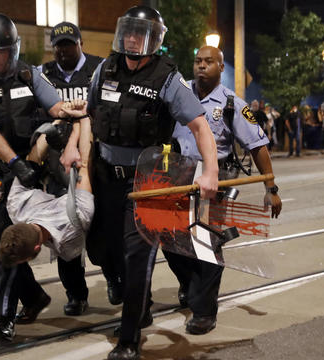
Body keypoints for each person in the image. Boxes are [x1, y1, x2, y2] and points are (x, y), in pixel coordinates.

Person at [61, 6, 218, 359]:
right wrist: (72, 145)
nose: (132, 39)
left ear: (154, 39)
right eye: (128, 31)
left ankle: (129, 339)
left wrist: (211, 172)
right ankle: (140, 307)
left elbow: (200, 127)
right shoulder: (106, 67)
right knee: (104, 249)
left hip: (150, 180)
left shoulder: (167, 78)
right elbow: (89, 113)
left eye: (140, 33)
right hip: (106, 176)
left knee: (137, 256)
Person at [0, 13, 72, 342]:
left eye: (2, 51)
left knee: (7, 243)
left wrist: (70, 114)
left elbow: (57, 108)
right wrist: (14, 161)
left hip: (25, 177)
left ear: (13, 49)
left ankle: (4, 317)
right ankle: (34, 296)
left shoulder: (29, 75)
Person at [170, 45, 282, 337]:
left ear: (221, 67)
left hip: (214, 183)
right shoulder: (179, 95)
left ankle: (205, 312)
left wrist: (271, 188)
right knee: (168, 240)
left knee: (205, 244)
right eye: (197, 61)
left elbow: (259, 147)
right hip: (179, 180)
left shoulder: (233, 103)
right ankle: (191, 284)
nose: (201, 66)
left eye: (209, 62)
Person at [38, 21, 104, 315]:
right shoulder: (43, 74)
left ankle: (114, 276)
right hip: (57, 163)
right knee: (63, 233)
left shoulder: (99, 68)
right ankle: (76, 294)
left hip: (96, 159)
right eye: (59, 46)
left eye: (69, 44)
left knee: (103, 228)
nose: (64, 51)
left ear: (80, 44)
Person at [0, 100, 94, 276]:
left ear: (37, 248)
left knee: (98, 253)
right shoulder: (15, 207)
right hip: (72, 181)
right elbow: (34, 158)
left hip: (82, 188)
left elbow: (85, 167)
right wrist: (71, 119)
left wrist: (78, 118)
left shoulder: (71, 229)